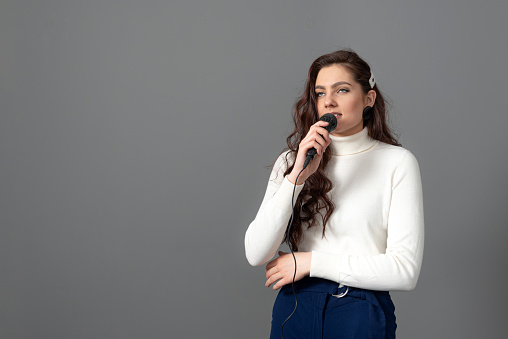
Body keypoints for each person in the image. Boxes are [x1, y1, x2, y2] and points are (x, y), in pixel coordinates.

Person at [244, 49, 424, 339]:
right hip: (295, 307)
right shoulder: (292, 161)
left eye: (342, 89)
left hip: (358, 308)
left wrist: (310, 262)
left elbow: (404, 271)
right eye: (320, 93)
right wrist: (296, 179)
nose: (328, 100)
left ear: (369, 99)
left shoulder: (397, 163)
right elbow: (256, 253)